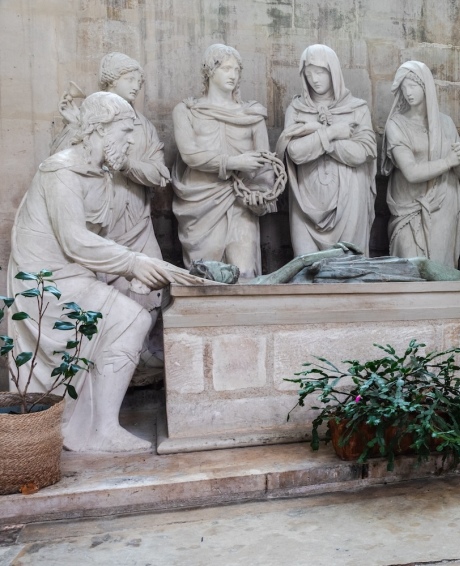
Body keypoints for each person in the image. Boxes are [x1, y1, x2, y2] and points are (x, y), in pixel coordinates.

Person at [9, 92, 196, 451]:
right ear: (99, 129)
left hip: (75, 276)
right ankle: (101, 430)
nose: (131, 141)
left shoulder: (101, 176)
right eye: (126, 132)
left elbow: (99, 241)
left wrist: (133, 272)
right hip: (45, 283)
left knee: (133, 314)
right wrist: (134, 263)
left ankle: (100, 425)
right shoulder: (60, 170)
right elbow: (75, 241)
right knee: (131, 320)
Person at [51, 53, 171, 369]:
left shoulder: (143, 127)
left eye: (140, 81)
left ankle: (138, 354)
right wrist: (74, 126)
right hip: (98, 225)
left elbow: (160, 175)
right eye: (130, 79)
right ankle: (98, 359)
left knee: (151, 284)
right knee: (100, 293)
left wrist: (128, 164)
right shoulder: (85, 120)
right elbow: (58, 165)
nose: (137, 86)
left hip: (136, 222)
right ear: (111, 80)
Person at [172, 44, 280, 278]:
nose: (234, 75)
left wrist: (260, 196)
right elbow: (190, 154)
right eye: (227, 68)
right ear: (210, 71)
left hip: (240, 201)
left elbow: (265, 165)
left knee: (244, 271)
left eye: (237, 69)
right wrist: (234, 162)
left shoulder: (252, 115)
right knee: (205, 275)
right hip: (200, 203)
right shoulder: (187, 111)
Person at [276, 44, 377, 256]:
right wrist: (331, 133)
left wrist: (316, 137)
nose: (314, 79)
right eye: (309, 72)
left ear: (333, 72)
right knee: (306, 270)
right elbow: (295, 152)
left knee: (351, 272)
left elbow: (360, 154)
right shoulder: (296, 109)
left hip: (349, 200)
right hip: (305, 201)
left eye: (320, 71)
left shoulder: (357, 109)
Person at [380, 61, 460, 268]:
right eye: (403, 88)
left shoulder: (446, 123)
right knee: (409, 269)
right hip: (408, 208)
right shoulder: (396, 125)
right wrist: (449, 161)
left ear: (425, 87)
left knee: (440, 270)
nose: (408, 92)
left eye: (412, 86)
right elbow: (411, 172)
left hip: (443, 205)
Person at [190, 243, 460, 285]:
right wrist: (331, 252)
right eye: (218, 269)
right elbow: (298, 263)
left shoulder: (246, 284)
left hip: (334, 273)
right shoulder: (250, 287)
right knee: (420, 265)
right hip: (334, 276)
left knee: (420, 265)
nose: (225, 266)